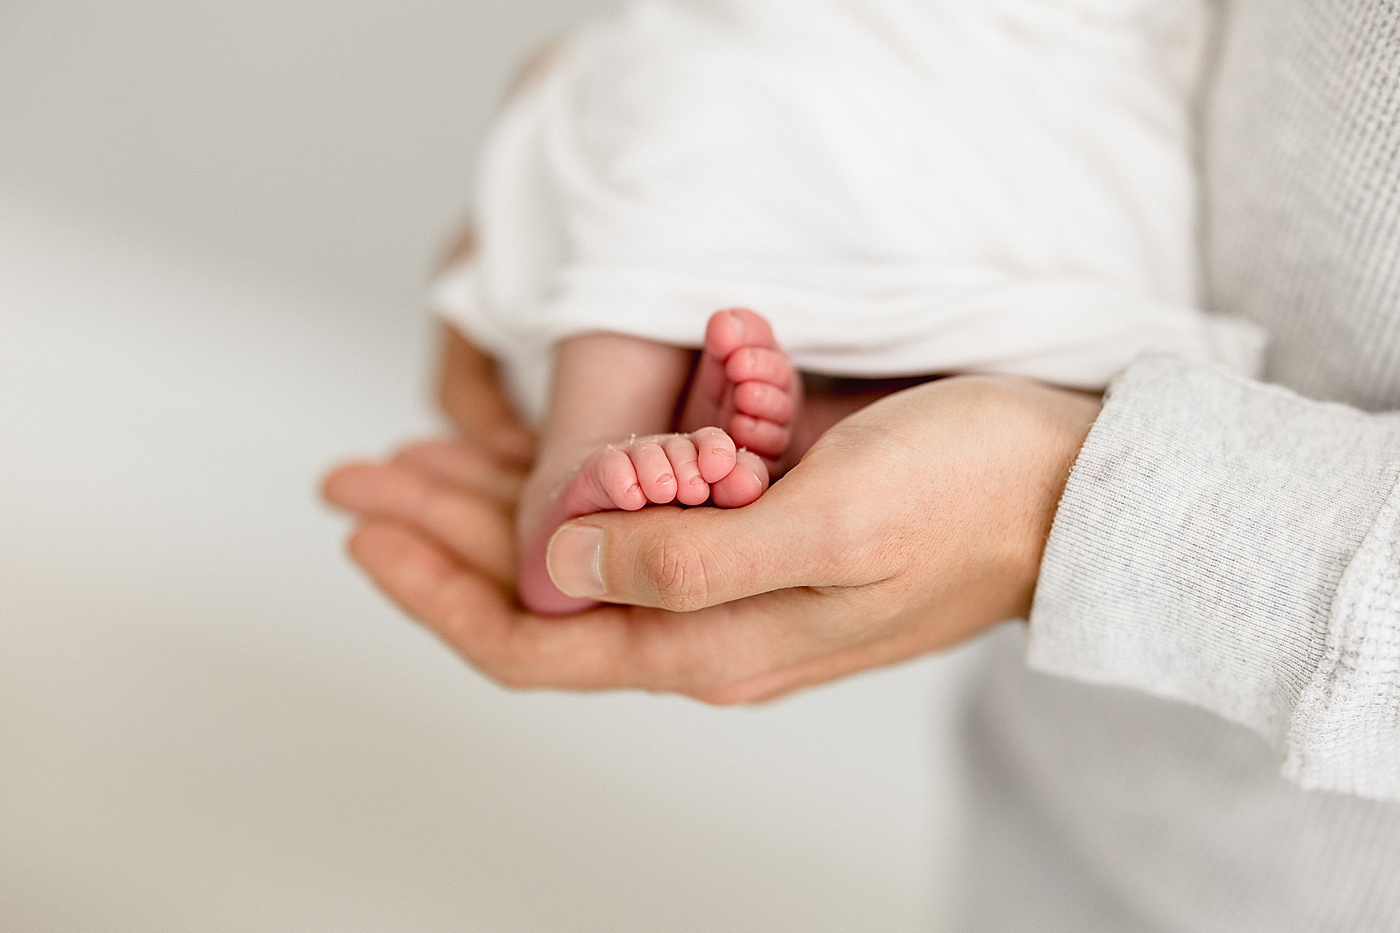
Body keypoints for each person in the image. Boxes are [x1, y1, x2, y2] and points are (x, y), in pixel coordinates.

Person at [325, 0, 1400, 929]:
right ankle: (605, 461)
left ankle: (746, 434)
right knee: (701, 135)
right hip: (1086, 807)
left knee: (1029, 315)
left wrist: (1066, 501)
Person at [428, 0, 1261, 616]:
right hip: (825, 39)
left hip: (1062, 77)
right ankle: (585, 463)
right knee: (691, 137)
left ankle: (806, 438)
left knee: (1076, 326)